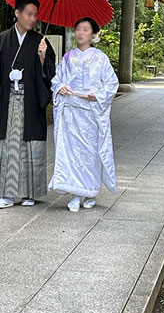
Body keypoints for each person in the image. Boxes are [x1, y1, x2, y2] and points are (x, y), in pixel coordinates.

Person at [0, 0, 56, 208]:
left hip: (31, 100)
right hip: (7, 100)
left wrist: (42, 58)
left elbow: (50, 73)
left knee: (31, 145)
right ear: (17, 13)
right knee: (9, 145)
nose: (33, 19)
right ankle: (8, 195)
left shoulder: (41, 41)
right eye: (29, 14)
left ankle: (30, 192)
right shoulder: (1, 41)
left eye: (35, 15)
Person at [48, 17, 119, 212]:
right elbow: (57, 79)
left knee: (90, 153)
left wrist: (97, 95)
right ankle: (76, 193)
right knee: (72, 153)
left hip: (90, 113)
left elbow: (112, 83)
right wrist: (60, 87)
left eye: (86, 29)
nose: (80, 33)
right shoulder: (68, 57)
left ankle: (90, 192)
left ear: (94, 34)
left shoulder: (100, 58)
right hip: (71, 111)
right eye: (78, 29)